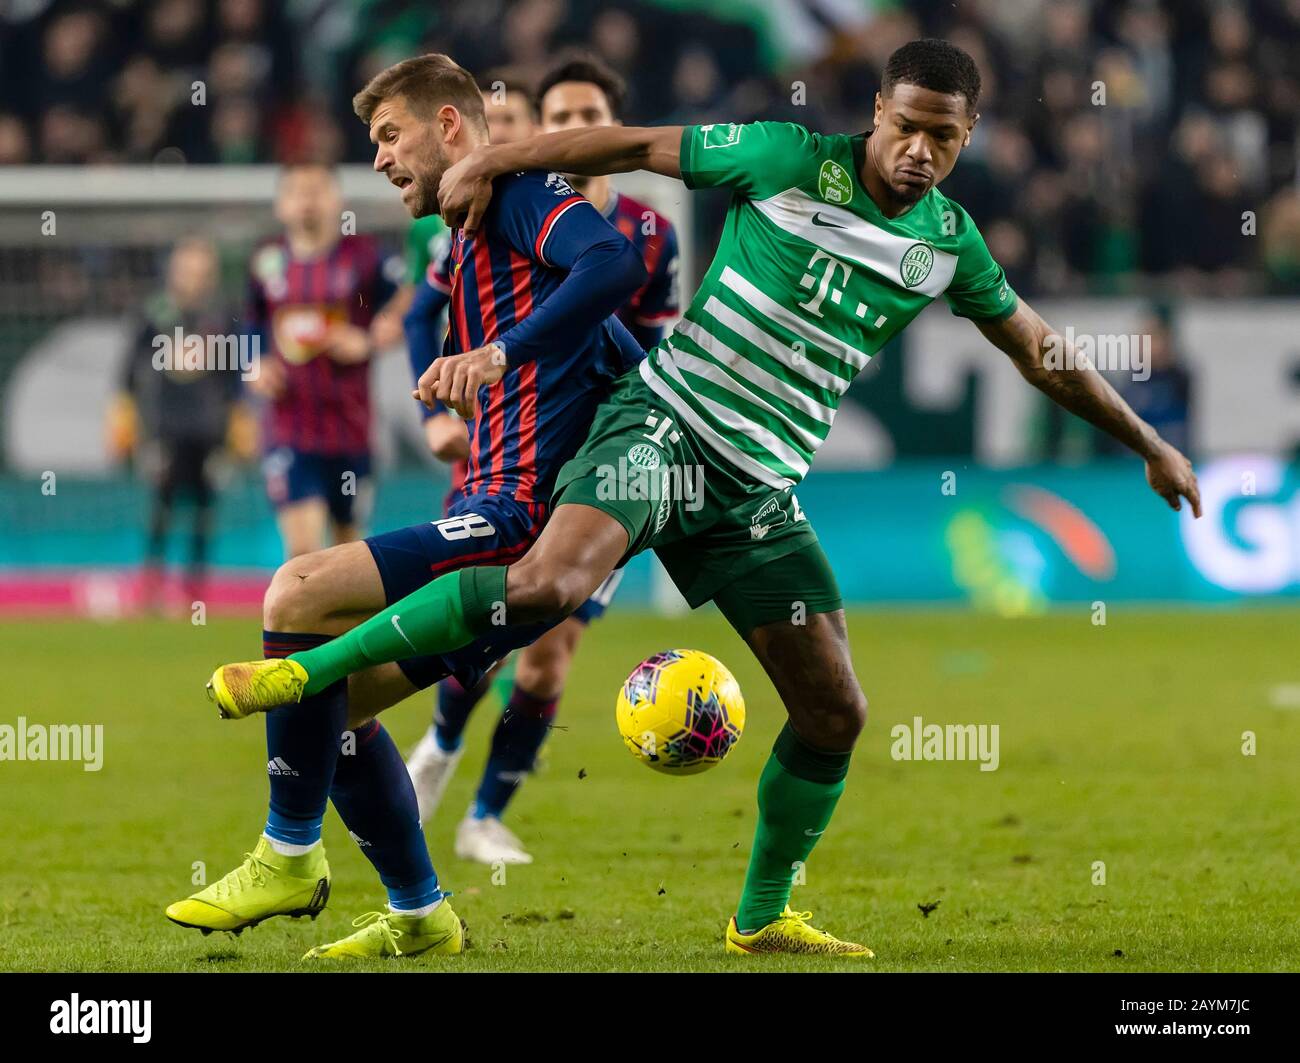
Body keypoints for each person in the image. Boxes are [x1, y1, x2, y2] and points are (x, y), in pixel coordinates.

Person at [208, 39, 1201, 958]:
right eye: (905, 127)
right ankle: (317, 676)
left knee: (834, 711)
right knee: (548, 585)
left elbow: (1039, 350)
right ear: (876, 112)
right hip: (663, 423)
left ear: (967, 135)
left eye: (943, 135)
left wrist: (1150, 444)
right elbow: (636, 142)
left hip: (756, 487)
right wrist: (502, 161)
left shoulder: (949, 243)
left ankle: (760, 916)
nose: (920, 150)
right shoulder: (779, 156)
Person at [168, 53, 648, 960]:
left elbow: (614, 262)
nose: (381, 159)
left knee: (295, 590)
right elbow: (613, 341)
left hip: (516, 522)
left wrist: (506, 358)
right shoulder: (466, 233)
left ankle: (289, 853)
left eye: (391, 135)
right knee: (332, 707)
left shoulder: (514, 194)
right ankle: (418, 906)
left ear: (452, 127)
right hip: (489, 495)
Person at [404, 59, 681, 866]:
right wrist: (435, 408)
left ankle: (486, 813)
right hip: (508, 443)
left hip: (599, 466)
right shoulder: (500, 205)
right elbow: (427, 308)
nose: (564, 126)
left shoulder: (648, 233)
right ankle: (440, 746)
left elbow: (643, 351)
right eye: (552, 113)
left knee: (551, 646)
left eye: (585, 112)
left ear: (613, 124)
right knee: (486, 623)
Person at [247, 163, 398, 559]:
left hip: (351, 428)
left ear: (338, 199)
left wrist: (367, 340)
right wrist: (256, 367)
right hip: (289, 428)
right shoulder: (267, 263)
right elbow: (249, 326)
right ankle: (299, 621)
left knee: (348, 554)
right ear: (281, 205)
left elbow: (406, 307)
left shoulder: (365, 258)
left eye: (317, 190)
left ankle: (342, 623)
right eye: (297, 191)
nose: (307, 201)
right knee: (304, 551)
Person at [110, 237, 251, 606]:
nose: (195, 278)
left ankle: (194, 591)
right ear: (174, 271)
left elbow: (237, 378)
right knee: (161, 505)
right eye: (188, 270)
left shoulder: (223, 316)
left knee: (204, 509)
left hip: (209, 431)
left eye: (202, 271)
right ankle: (151, 584)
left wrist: (239, 425)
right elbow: (127, 372)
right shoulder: (153, 313)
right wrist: (122, 420)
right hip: (163, 428)